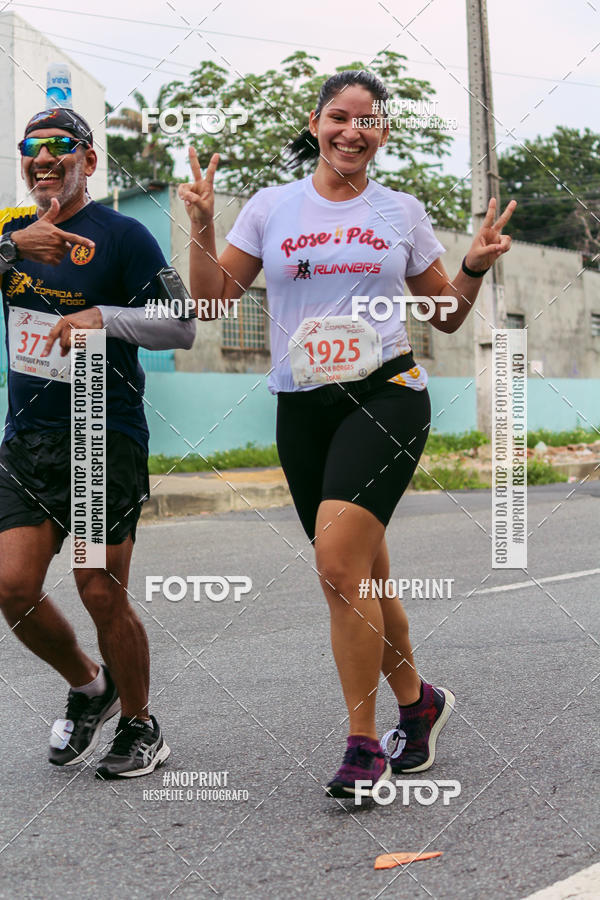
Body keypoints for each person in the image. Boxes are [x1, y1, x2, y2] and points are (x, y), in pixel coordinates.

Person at [179, 70, 515, 798]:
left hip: (387, 394)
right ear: (316, 122)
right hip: (303, 405)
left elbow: (447, 316)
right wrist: (203, 224)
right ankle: (419, 704)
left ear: (382, 132)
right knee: (363, 576)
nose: (351, 131)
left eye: (367, 120)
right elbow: (209, 306)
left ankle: (364, 746)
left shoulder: (401, 211)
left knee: (337, 567)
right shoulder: (270, 209)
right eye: (339, 116)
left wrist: (472, 267)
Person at [0, 108, 196, 779]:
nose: (45, 158)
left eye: (62, 147)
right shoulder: (7, 232)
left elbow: (182, 326)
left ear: (89, 160)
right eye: (33, 147)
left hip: (98, 433)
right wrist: (14, 250)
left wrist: (102, 318)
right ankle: (90, 685)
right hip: (27, 438)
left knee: (98, 588)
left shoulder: (125, 237)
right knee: (10, 585)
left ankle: (142, 724)